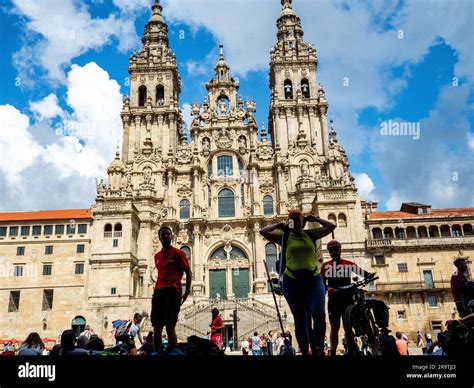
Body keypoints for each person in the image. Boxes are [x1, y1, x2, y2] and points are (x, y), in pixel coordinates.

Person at [260, 211, 335, 356]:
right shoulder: (284, 237)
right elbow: (263, 231)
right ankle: (305, 351)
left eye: (299, 220)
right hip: (292, 280)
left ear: (304, 221)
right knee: (300, 319)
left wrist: (315, 218)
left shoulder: (311, 234)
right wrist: (280, 225)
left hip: (313, 279)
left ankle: (318, 347)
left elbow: (331, 226)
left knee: (319, 314)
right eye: (293, 221)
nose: (297, 223)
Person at [320, 239, 375, 356]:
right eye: (331, 251)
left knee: (348, 326)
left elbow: (362, 272)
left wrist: (369, 275)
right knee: (335, 326)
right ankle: (333, 352)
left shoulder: (349, 264)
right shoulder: (325, 266)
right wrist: (328, 288)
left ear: (340, 250)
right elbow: (322, 283)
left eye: (336, 250)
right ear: (329, 252)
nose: (334, 252)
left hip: (348, 298)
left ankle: (352, 348)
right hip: (334, 299)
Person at [151, 226, 192, 352]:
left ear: (172, 236)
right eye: (163, 234)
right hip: (159, 292)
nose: (166, 236)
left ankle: (173, 353)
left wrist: (187, 291)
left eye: (168, 234)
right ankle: (157, 353)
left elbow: (188, 272)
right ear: (159, 237)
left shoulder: (179, 253)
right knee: (157, 327)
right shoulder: (157, 256)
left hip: (173, 292)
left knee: (170, 326)